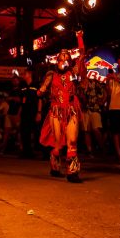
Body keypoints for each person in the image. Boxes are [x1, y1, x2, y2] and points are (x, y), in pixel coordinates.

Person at [37, 30, 86, 183]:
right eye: (61, 58)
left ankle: (72, 173)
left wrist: (79, 37)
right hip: (56, 110)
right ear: (57, 60)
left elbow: (82, 54)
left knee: (72, 141)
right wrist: (42, 90)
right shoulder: (51, 75)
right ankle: (55, 165)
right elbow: (41, 91)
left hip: (71, 109)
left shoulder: (74, 71)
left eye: (66, 58)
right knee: (58, 144)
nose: (64, 60)